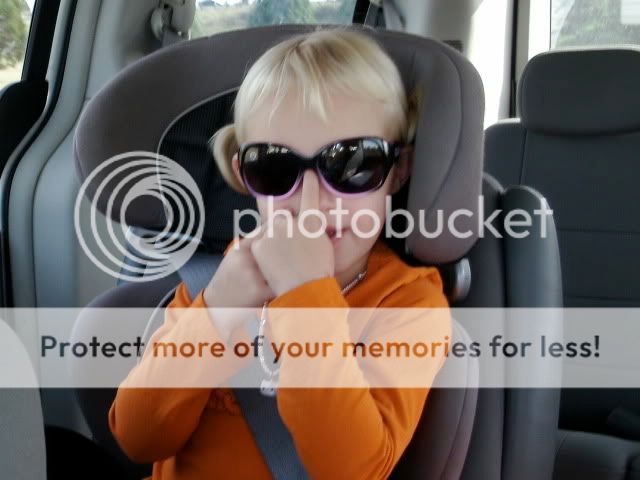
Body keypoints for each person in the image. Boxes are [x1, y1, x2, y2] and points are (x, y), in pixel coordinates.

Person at [109, 28, 450, 479]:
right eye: (273, 167)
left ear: (397, 171)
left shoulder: (408, 304)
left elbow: (350, 470)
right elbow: (138, 437)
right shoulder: (227, 274)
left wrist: (306, 294)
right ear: (244, 176)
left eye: (353, 165)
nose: (311, 203)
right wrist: (215, 312)